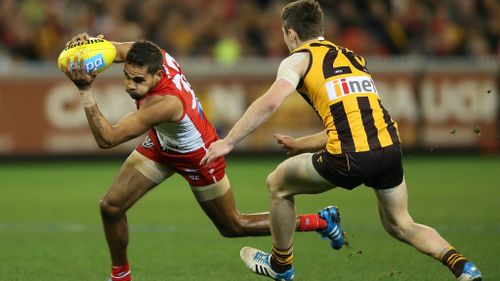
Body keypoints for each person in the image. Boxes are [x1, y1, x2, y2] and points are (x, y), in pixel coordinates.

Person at [200, 1, 483, 281]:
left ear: (291, 33)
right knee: (401, 224)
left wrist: (230, 140)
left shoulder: (299, 58)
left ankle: (281, 265)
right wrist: (301, 144)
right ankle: (463, 267)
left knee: (278, 184)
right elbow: (351, 121)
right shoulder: (352, 58)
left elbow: (271, 101)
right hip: (389, 148)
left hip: (350, 156)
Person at [61, 33, 345, 281]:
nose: (130, 86)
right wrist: (92, 46)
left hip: (199, 156)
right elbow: (117, 50)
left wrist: (85, 90)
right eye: (127, 77)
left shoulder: (166, 103)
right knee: (111, 207)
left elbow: (107, 139)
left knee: (233, 226)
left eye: (138, 80)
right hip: (163, 143)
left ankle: (321, 221)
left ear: (158, 77)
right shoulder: (153, 56)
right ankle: (120, 276)